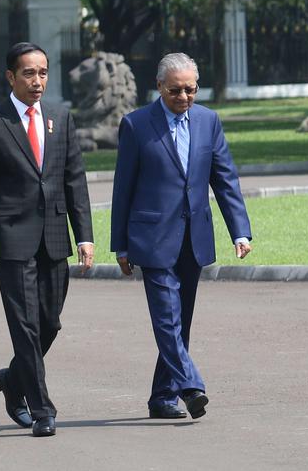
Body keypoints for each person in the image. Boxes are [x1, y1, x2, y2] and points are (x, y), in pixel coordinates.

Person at [0, 42, 95, 438]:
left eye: (43, 73)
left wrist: (84, 235)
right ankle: (41, 410)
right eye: (28, 74)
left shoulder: (60, 117)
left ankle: (12, 378)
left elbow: (75, 180)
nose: (37, 81)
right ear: (10, 77)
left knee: (49, 324)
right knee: (25, 327)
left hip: (55, 237)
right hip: (12, 239)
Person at [110, 52, 252, 420]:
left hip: (195, 236)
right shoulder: (136, 124)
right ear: (159, 87)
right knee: (166, 318)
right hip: (151, 238)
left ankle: (161, 397)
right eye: (176, 90)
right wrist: (120, 244)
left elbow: (225, 179)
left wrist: (240, 230)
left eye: (190, 90)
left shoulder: (208, 121)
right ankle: (190, 385)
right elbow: (122, 189)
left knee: (180, 320)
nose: (184, 97)